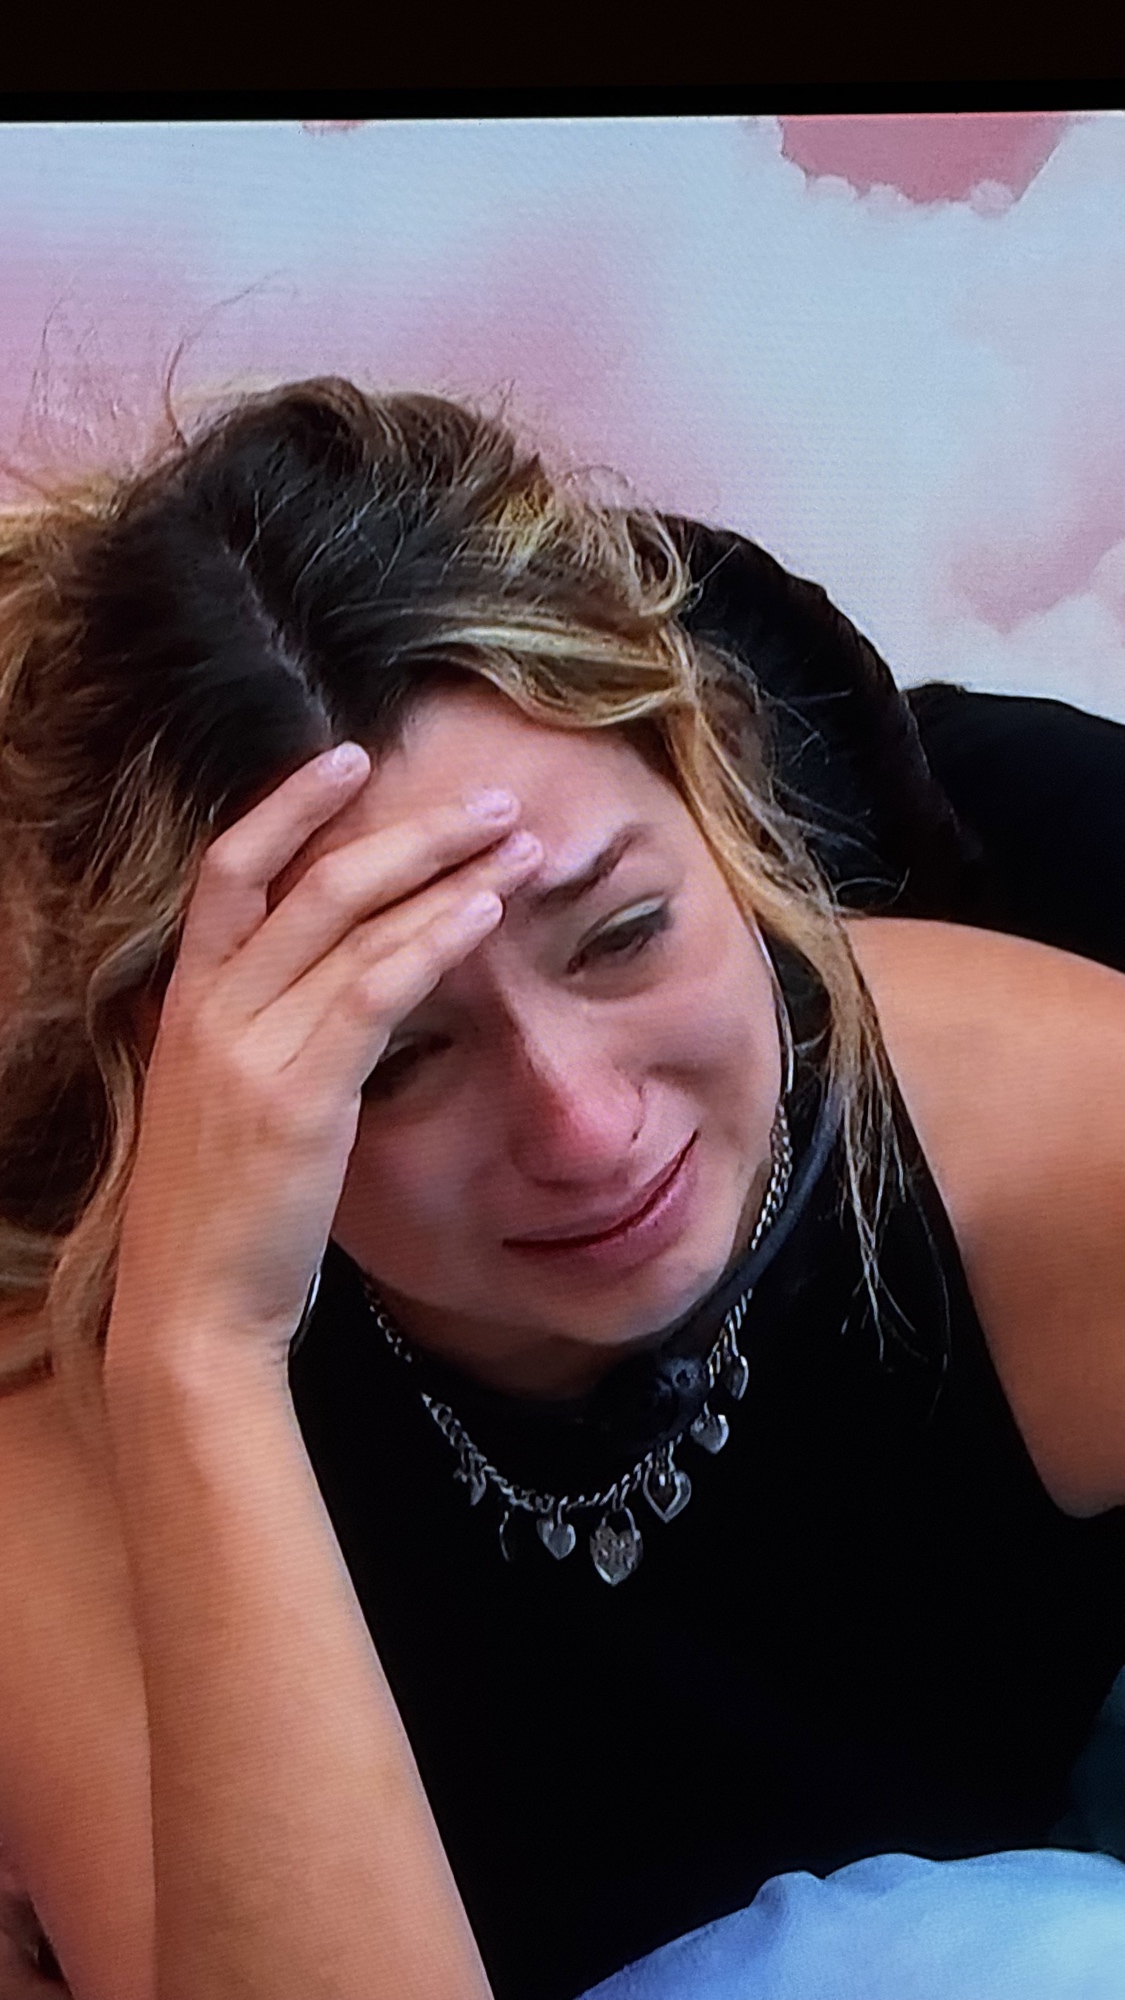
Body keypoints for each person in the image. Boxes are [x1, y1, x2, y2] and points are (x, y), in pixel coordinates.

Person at [0, 378, 1124, 2000]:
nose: (584, 1130)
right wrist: (201, 1358)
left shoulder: (1038, 1137)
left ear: (713, 800)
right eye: (393, 1054)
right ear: (181, 1064)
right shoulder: (85, 1395)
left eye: (621, 935)